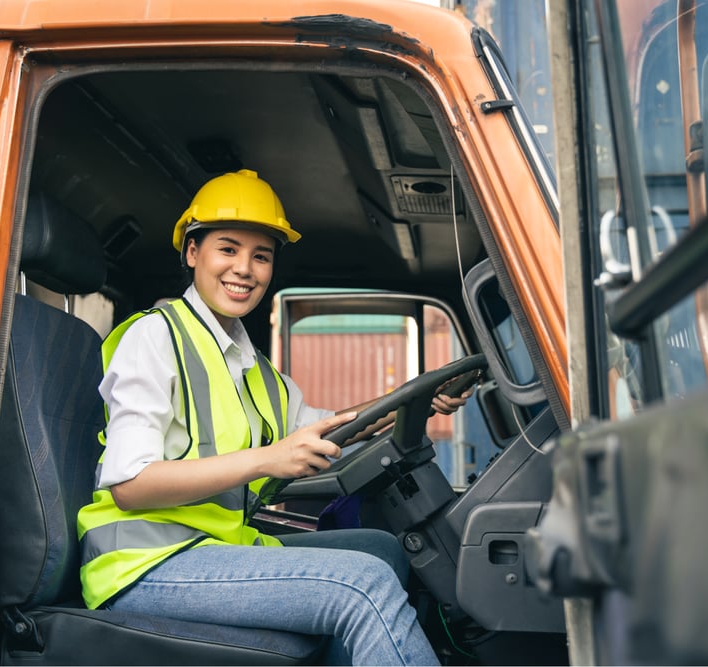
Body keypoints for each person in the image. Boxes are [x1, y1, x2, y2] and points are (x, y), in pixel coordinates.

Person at [77, 169, 470, 665]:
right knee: (363, 585)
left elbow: (331, 428)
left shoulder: (254, 368)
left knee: (380, 550)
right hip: (142, 565)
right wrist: (267, 459)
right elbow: (129, 484)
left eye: (260, 256)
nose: (245, 268)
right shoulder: (154, 338)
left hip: (212, 548)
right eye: (228, 249)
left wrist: (414, 402)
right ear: (192, 253)